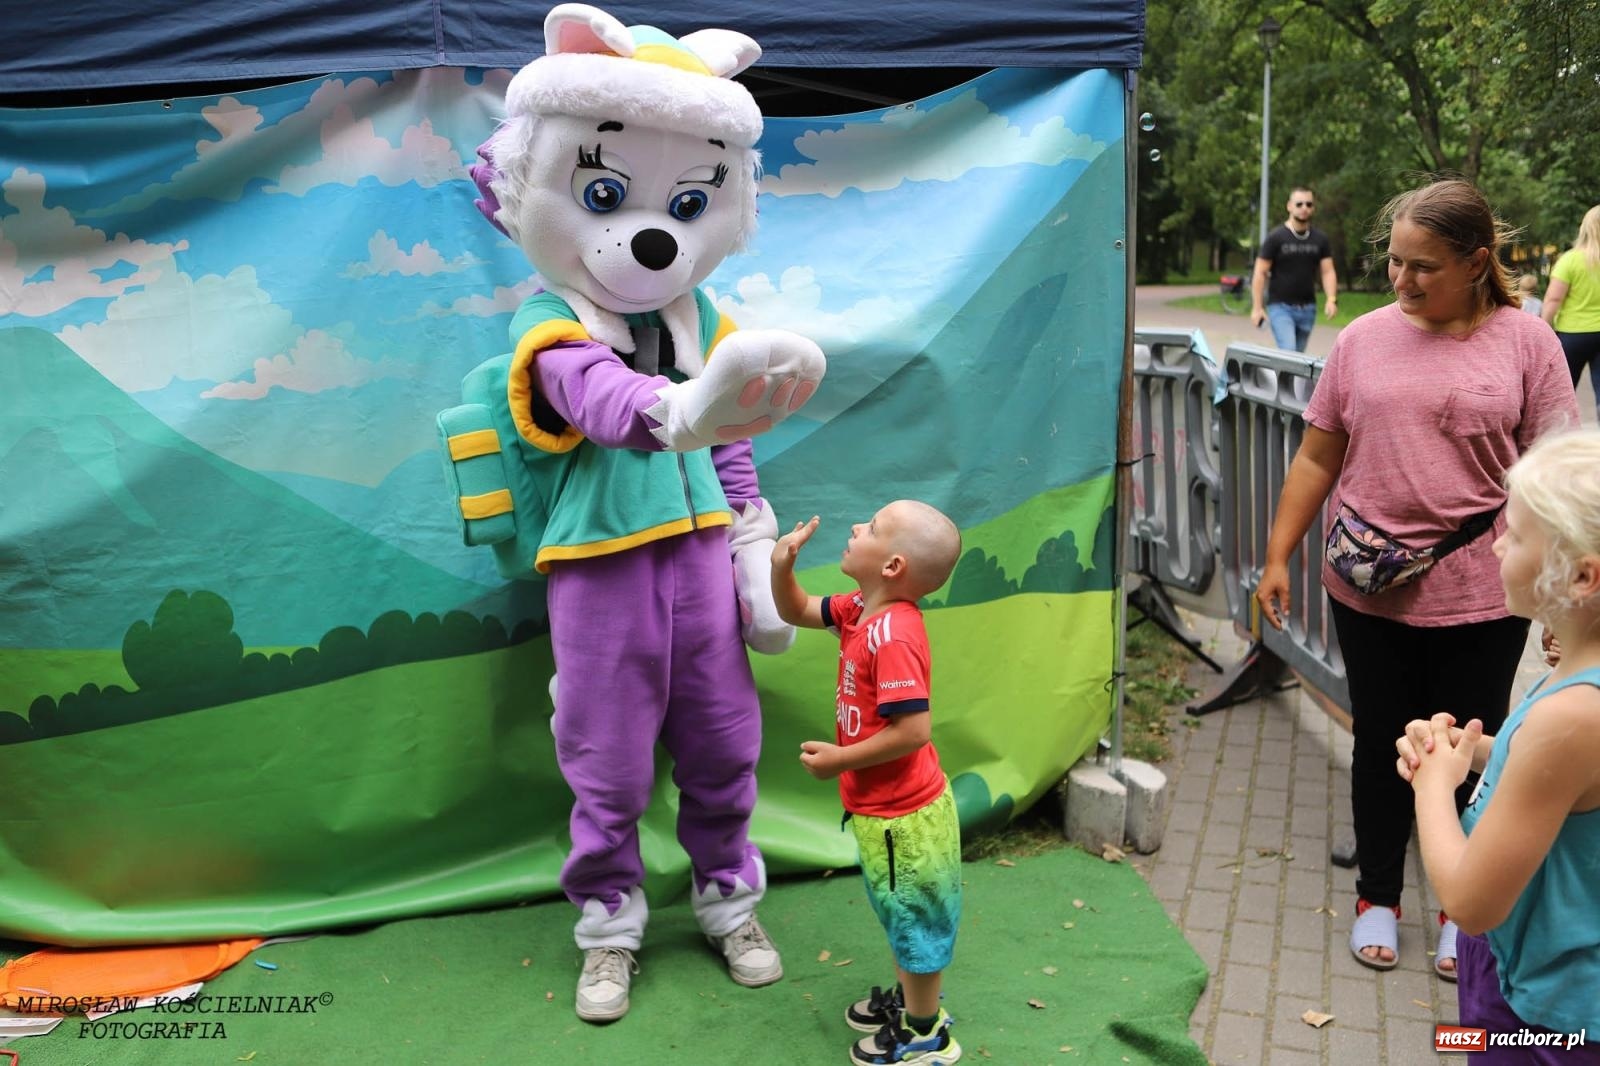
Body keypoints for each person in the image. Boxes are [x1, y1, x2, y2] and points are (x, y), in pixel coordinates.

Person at [1254, 178, 1579, 978]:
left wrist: (1562, 600)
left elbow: (1558, 477)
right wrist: (1276, 555)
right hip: (1368, 588)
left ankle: (1459, 911)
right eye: (1394, 261)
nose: (1402, 279)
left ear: (1477, 263)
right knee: (1379, 741)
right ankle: (1377, 896)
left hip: (1486, 592)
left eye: (1422, 266)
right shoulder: (1362, 339)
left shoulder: (1527, 344)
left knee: (1469, 748)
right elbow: (1317, 456)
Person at [1395, 428, 1600, 1062]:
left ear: (1582, 576)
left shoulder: (1573, 717)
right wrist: (1477, 754)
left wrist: (1433, 782)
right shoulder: (1577, 677)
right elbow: (1569, 789)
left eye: (1515, 534)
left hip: (1548, 1016)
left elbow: (1469, 902)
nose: (1497, 543)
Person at [770, 501, 964, 1066]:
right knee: (901, 912)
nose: (856, 527)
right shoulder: (860, 609)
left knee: (916, 919)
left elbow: (913, 730)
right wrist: (782, 566)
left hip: (905, 818)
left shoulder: (895, 633)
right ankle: (911, 1003)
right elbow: (798, 609)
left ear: (893, 566)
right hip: (881, 812)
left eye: (873, 528)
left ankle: (927, 1034)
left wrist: (842, 759)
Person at [1251, 185, 1340, 351]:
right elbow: (1260, 272)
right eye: (1299, 204)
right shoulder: (1276, 237)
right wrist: (1257, 308)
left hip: (1308, 310)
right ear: (1289, 206)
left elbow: (1328, 271)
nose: (1304, 208)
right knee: (1289, 352)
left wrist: (1331, 299)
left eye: (1309, 204)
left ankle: (1280, 377)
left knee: (1297, 362)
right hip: (1280, 308)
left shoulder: (1320, 239)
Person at [1541, 204, 1600, 416]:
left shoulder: (1570, 260)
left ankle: (1560, 438)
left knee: (1561, 393)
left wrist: (1544, 330)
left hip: (1573, 334)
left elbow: (1553, 299)